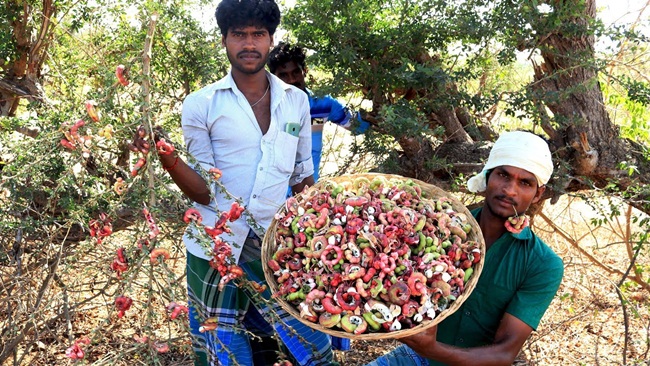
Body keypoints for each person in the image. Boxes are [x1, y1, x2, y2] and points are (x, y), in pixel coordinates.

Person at [133, 1, 334, 365]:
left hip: (274, 244)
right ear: (225, 40)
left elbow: (303, 176)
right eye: (238, 34)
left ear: (271, 40)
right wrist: (164, 154)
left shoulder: (295, 102)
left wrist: (319, 238)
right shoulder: (201, 104)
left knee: (305, 340)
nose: (249, 44)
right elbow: (203, 191)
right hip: (215, 246)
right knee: (222, 348)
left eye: (258, 34)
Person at [365, 131, 564, 366]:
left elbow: (504, 354)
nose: (510, 190)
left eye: (525, 183)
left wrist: (433, 349)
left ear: (538, 193)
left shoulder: (542, 264)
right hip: (416, 358)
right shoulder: (441, 227)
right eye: (503, 175)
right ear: (488, 176)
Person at [267, 42, 370, 183]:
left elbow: (357, 126)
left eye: (295, 72)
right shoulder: (265, 108)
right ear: (273, 78)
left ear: (305, 70)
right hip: (272, 195)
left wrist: (382, 111)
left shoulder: (322, 105)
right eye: (283, 75)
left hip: (307, 192)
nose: (291, 80)